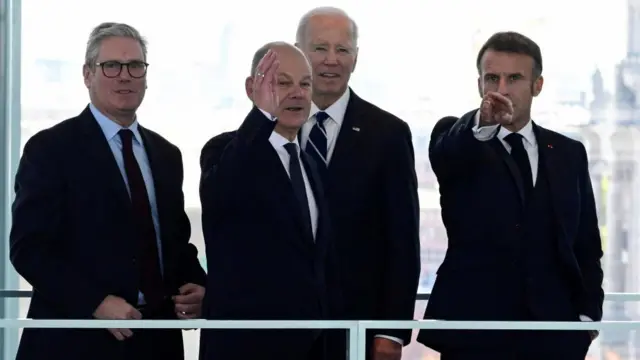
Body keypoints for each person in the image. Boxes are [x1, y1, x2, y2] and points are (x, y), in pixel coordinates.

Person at [9, 22, 206, 360]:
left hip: (155, 339)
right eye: (111, 66)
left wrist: (197, 287)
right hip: (76, 338)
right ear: (88, 75)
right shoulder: (50, 149)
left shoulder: (166, 154)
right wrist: (95, 302)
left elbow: (173, 243)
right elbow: (29, 249)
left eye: (135, 66)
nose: (125, 76)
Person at [417, 31, 604, 359]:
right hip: (472, 334)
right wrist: (483, 124)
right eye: (492, 78)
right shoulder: (460, 137)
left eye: (514, 78)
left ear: (537, 85)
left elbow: (586, 244)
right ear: (479, 85)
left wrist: (587, 320)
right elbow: (445, 158)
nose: (501, 89)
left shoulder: (568, 152)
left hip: (555, 335)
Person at [198, 42, 341, 360]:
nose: (297, 93)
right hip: (246, 346)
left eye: (305, 83)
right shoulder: (224, 151)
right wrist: (261, 115)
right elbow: (224, 190)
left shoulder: (313, 163)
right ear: (253, 88)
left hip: (314, 347)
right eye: (282, 82)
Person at [295, 7, 421, 360]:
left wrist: (391, 331)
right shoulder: (270, 130)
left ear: (356, 57)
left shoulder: (389, 134)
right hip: (282, 330)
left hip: (358, 329)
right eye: (320, 49)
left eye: (343, 50)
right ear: (298, 52)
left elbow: (402, 241)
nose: (331, 60)